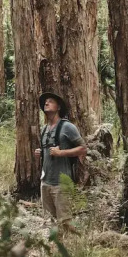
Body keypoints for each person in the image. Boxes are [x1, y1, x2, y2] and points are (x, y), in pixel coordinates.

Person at [34, 92, 86, 234]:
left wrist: (61, 153)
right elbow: (48, 151)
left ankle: (70, 250)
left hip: (62, 183)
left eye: (50, 101)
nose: (46, 103)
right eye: (45, 102)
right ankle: (55, 250)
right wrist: (40, 152)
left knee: (65, 222)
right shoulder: (44, 129)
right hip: (45, 183)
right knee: (50, 221)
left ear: (58, 107)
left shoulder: (67, 127)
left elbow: (83, 148)